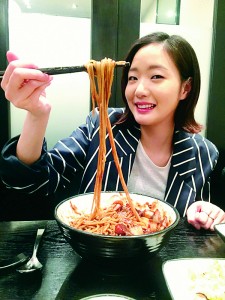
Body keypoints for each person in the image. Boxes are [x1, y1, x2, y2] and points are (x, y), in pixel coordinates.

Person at [0, 32, 225, 230]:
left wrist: (205, 213)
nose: (140, 90)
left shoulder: (203, 153)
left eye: (156, 76)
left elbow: (195, 223)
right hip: (96, 258)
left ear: (185, 88)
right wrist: (37, 114)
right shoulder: (102, 126)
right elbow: (32, 182)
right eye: (132, 77)